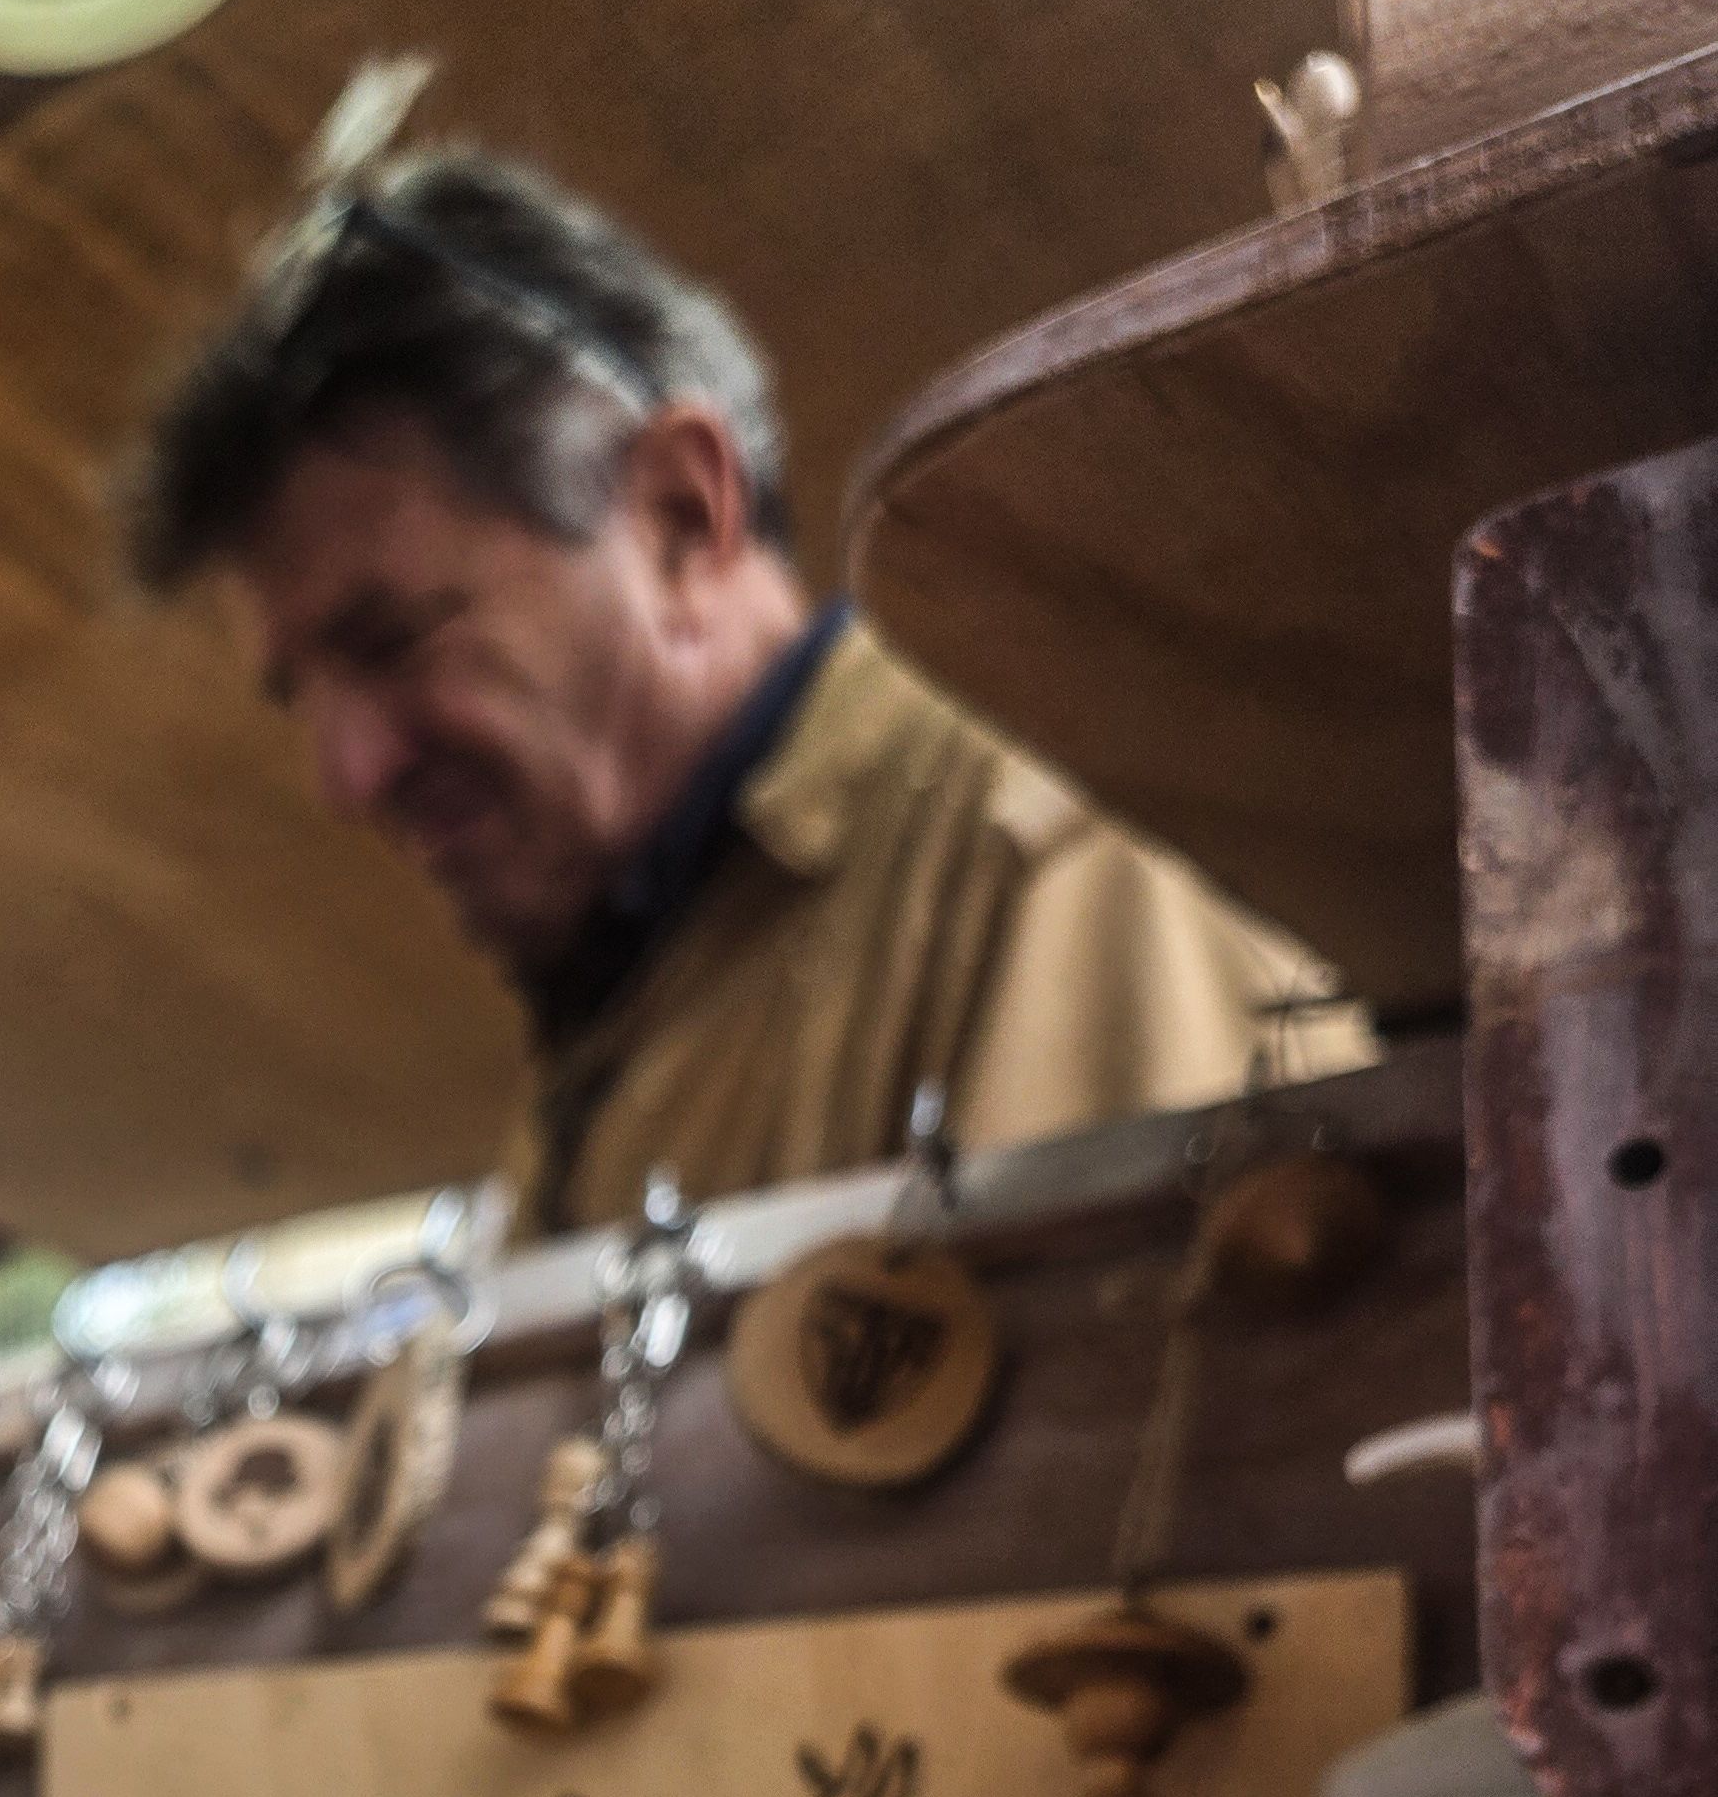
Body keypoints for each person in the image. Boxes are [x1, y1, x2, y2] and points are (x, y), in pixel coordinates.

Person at [129, 145, 1344, 1237]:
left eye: (391, 641)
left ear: (678, 516)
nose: (347, 776)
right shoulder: (624, 1003)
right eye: (298, 697)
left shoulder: (1041, 833)